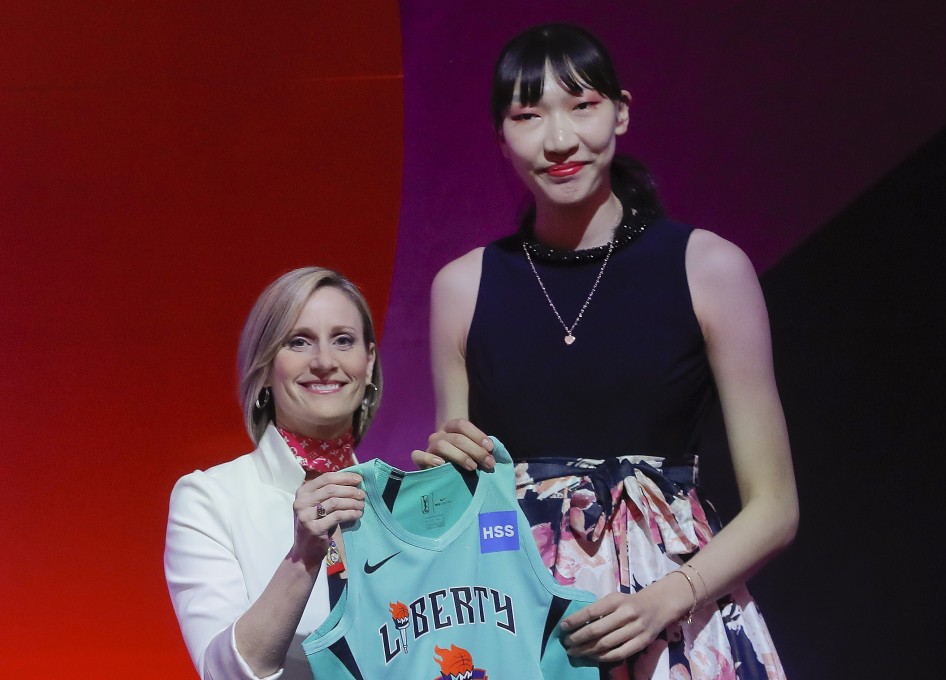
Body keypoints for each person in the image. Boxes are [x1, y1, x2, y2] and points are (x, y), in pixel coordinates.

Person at [414, 23, 798, 679]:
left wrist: (668, 600)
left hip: (682, 618)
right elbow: (479, 514)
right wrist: (446, 488)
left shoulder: (708, 268)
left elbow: (775, 505)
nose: (560, 139)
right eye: (528, 116)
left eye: (582, 106)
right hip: (526, 630)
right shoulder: (461, 287)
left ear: (620, 111)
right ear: (501, 141)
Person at [165, 267, 382, 680]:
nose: (324, 361)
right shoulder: (210, 499)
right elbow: (223, 675)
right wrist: (302, 560)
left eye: (343, 340)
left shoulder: (397, 499)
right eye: (298, 342)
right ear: (264, 367)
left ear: (368, 363)